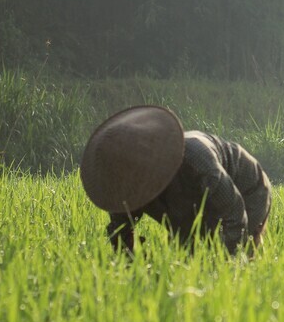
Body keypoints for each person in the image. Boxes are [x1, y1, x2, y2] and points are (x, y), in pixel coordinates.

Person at [80, 105, 272, 256]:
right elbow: (120, 230)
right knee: (192, 259)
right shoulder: (127, 187)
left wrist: (224, 264)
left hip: (245, 189)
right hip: (190, 205)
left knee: (234, 254)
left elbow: (233, 213)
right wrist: (133, 261)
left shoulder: (195, 157)